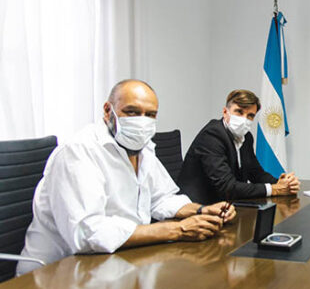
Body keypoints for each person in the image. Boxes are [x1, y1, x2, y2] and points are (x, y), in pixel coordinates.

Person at [17, 79, 235, 275]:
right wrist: (178, 229)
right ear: (107, 111)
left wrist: (201, 210)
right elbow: (87, 233)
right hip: (58, 275)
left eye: (150, 115)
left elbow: (161, 198)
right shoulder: (78, 151)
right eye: (132, 112)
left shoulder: (144, 149)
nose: (142, 121)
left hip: (116, 262)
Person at [178, 89, 299, 204]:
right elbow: (227, 187)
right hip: (198, 207)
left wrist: (282, 183)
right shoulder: (212, 135)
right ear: (225, 112)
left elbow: (255, 172)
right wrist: (273, 189)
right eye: (239, 112)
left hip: (226, 204)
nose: (244, 119)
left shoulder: (246, 137)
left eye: (250, 115)